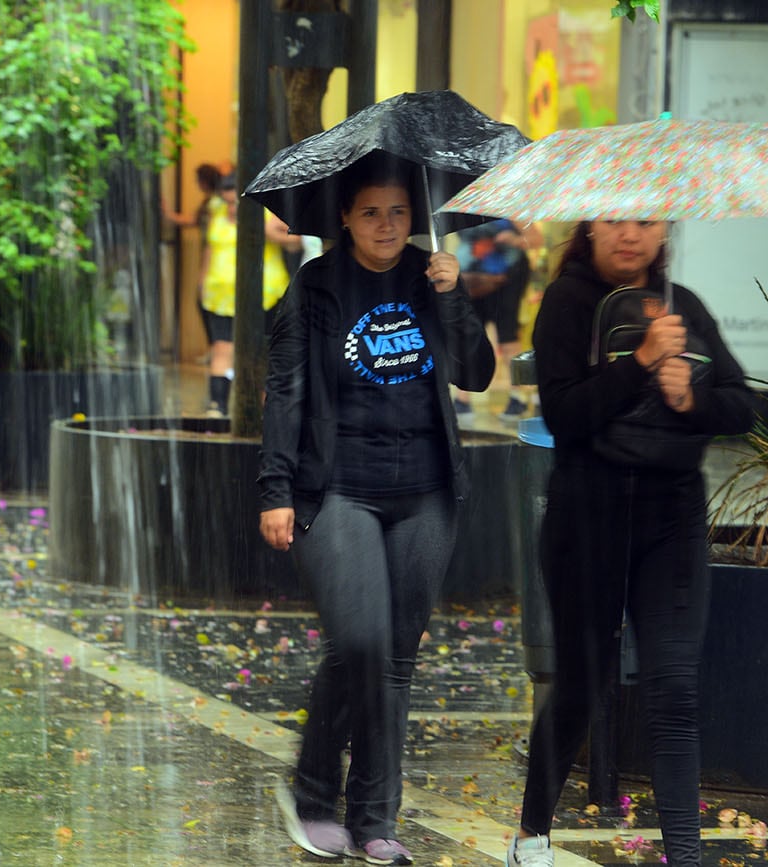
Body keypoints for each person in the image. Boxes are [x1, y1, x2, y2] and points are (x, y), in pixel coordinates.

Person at [258, 156, 495, 866]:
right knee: (358, 641)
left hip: (425, 489)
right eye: (370, 213)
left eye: (397, 212)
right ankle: (311, 795)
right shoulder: (317, 286)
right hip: (340, 488)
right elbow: (286, 391)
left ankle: (376, 820)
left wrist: (455, 297)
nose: (387, 225)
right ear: (345, 218)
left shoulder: (433, 276)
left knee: (395, 655)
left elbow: (477, 374)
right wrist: (275, 488)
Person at [504, 220, 756, 867]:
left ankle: (685, 855)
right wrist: (640, 363)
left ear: (663, 231)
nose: (629, 234)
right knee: (583, 683)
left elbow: (743, 408)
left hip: (670, 515)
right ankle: (533, 830)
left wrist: (691, 395)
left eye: (645, 221)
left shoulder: (683, 306)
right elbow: (563, 416)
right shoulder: (566, 303)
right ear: (590, 227)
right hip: (587, 511)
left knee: (674, 685)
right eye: (615, 219)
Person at [198, 170, 301, 416]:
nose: (232, 208)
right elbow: (210, 252)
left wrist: (268, 232)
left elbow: (297, 241)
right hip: (222, 297)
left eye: (237, 202)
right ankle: (218, 406)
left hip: (265, 297)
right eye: (227, 202)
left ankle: (266, 409)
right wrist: (201, 284)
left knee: (263, 352)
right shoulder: (219, 217)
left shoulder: (268, 216)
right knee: (222, 347)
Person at [452, 219, 541, 420]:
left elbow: (536, 240)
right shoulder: (467, 206)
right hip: (473, 277)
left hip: (508, 277)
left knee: (508, 336)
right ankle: (462, 399)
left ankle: (516, 396)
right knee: (469, 333)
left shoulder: (511, 210)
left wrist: (515, 240)